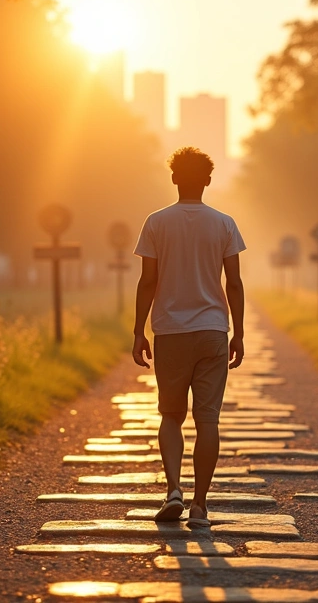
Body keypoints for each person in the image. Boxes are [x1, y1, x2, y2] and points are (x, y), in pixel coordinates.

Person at [131, 146, 246, 528]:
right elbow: (234, 283)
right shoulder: (224, 224)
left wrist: (137, 331)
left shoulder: (156, 222)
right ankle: (199, 506)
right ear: (209, 180)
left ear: (174, 177)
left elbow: (148, 280)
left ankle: (173, 490)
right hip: (213, 330)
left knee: (170, 415)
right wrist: (239, 333)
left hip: (170, 331)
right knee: (207, 420)